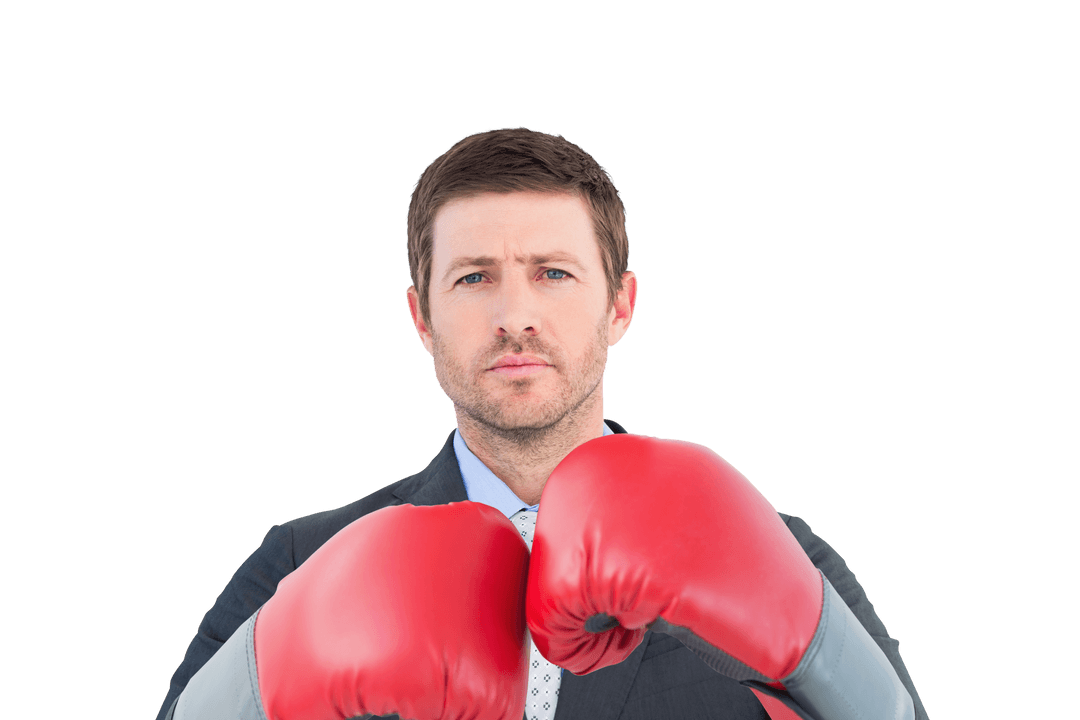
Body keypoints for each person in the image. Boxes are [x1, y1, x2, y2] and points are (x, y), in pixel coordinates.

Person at [155, 127, 928, 720]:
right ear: (421, 318)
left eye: (553, 273)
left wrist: (832, 674)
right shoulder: (303, 560)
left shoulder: (768, 552)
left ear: (620, 305)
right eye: (474, 278)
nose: (514, 316)